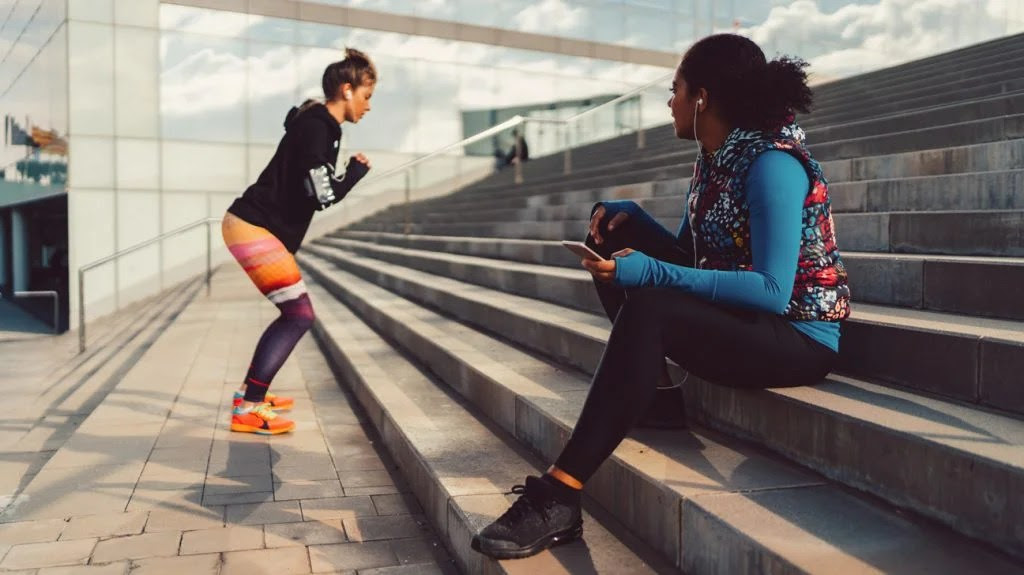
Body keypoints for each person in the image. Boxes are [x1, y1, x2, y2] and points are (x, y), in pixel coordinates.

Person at [472, 33, 851, 559]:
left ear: (702, 99)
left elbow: (770, 291)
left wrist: (652, 272)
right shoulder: (715, 159)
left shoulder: (773, 164)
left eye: (674, 89)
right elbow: (690, 259)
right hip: (746, 317)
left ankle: (559, 497)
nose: (667, 102)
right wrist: (638, 224)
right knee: (614, 239)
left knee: (649, 296)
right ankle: (658, 401)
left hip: (798, 336)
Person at [221, 48, 376, 435]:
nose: (368, 107)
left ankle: (249, 395)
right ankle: (248, 407)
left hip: (252, 225)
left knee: (294, 313)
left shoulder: (319, 126)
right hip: (253, 226)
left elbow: (316, 186)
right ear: (347, 89)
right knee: (299, 314)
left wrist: (344, 173)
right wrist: (355, 173)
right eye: (367, 96)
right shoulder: (318, 127)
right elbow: (323, 194)